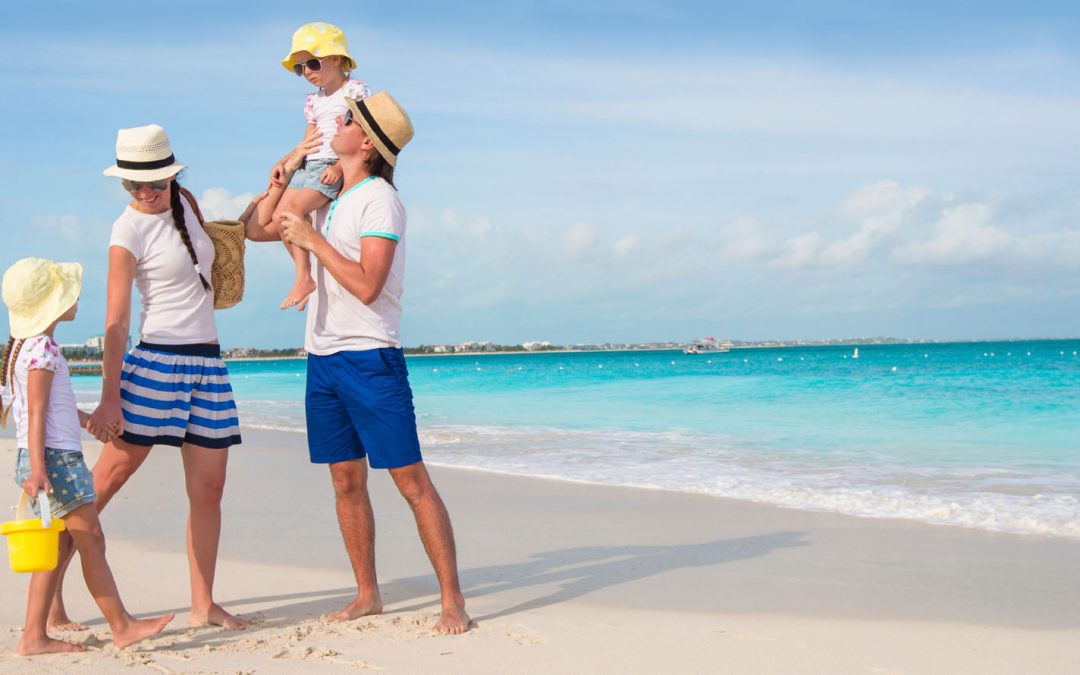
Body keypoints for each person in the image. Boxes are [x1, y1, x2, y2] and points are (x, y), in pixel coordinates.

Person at [279, 92, 471, 634]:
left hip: (370, 356)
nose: (334, 123)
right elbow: (266, 224)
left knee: (409, 480)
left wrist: (313, 242)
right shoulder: (335, 194)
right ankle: (368, 594)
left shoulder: (380, 200)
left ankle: (452, 599)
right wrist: (287, 175)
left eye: (346, 120)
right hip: (323, 357)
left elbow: (367, 286)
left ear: (366, 142)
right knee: (345, 480)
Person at [49, 124, 246, 631]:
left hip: (208, 365)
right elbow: (115, 323)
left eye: (154, 184)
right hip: (155, 364)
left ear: (172, 175)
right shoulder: (126, 231)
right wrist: (109, 397)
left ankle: (203, 605)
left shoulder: (188, 203)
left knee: (209, 493)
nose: (145, 194)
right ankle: (49, 600)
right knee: (100, 487)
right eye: (134, 186)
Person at [1, 257, 174, 655]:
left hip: (48, 456)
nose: (75, 297)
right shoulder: (42, 349)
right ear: (49, 304)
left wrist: (88, 421)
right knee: (91, 539)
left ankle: (34, 635)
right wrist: (40, 470)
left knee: (60, 546)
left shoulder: (29, 348)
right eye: (67, 292)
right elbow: (39, 413)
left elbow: (46, 408)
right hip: (54, 462)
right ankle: (122, 625)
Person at [270, 21, 371, 311]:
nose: (307, 73)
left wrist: (340, 167)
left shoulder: (354, 90)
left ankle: (303, 277)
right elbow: (309, 138)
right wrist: (289, 161)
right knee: (279, 217)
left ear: (337, 59)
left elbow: (363, 131)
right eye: (300, 68)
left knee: (291, 212)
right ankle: (306, 274)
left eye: (312, 63)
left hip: (330, 163)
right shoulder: (314, 101)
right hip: (310, 163)